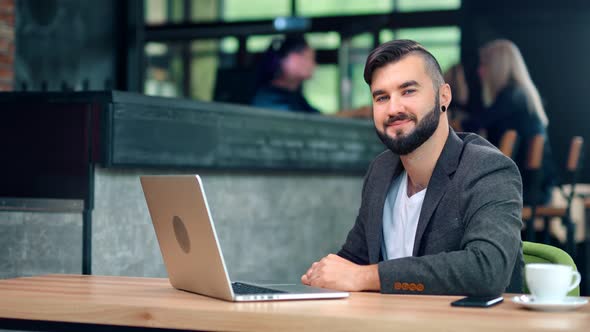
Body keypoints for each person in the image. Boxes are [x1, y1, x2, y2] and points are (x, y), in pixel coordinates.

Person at [301, 40, 523, 296]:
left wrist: (365, 276)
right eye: (381, 97)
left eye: (408, 91)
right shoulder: (381, 170)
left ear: (444, 96)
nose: (394, 108)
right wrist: (325, 276)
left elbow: (487, 271)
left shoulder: (487, 169)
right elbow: (354, 260)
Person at [462, 39, 555, 205]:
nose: (479, 71)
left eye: (484, 65)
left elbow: (473, 124)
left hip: (524, 189)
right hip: (536, 187)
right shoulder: (522, 95)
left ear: (496, 67)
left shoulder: (511, 96)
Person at [251, 35, 371, 118]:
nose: (314, 65)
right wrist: (356, 113)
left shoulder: (294, 97)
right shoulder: (267, 100)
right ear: (293, 59)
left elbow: (317, 118)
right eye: (310, 58)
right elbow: (308, 123)